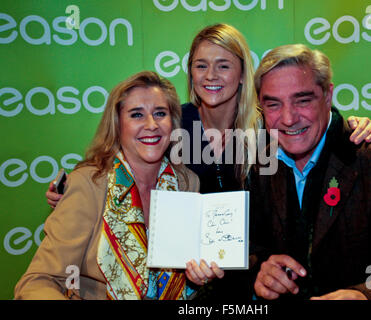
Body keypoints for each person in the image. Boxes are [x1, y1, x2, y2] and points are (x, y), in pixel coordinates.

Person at [43, 24, 371, 299]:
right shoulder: (172, 123)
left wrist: (351, 125)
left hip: (260, 279)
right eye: (201, 65)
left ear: (242, 75)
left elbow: (313, 127)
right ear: (190, 74)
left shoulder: (269, 125)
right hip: (188, 282)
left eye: (223, 65)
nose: (211, 75)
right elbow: (120, 154)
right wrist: (76, 190)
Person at [250, 43, 371, 300]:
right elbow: (252, 248)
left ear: (328, 95)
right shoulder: (259, 166)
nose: (288, 118)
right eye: (273, 105)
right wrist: (260, 270)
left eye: (302, 100)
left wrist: (365, 296)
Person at [14, 71, 224, 300]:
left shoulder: (186, 182)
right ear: (117, 124)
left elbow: (184, 276)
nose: (151, 125)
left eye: (160, 113)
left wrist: (196, 278)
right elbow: (38, 282)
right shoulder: (89, 184)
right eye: (137, 115)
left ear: (173, 123)